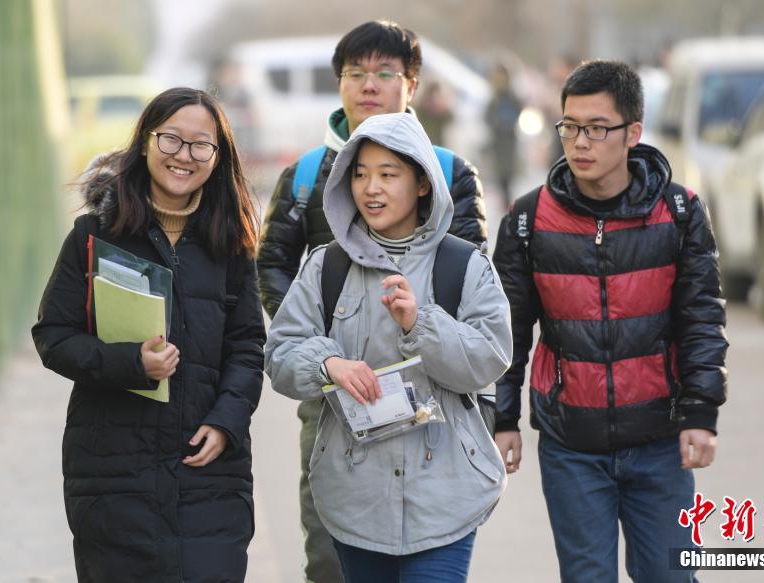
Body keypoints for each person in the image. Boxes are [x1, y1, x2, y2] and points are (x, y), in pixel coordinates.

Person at [255, 19, 487, 583]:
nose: (368, 85)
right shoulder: (305, 176)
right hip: (337, 391)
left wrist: (421, 331)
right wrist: (325, 349)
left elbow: (475, 286)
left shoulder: (450, 172)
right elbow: (272, 265)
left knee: (430, 542)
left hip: (430, 388)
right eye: (355, 73)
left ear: (412, 85)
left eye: (385, 73)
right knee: (331, 550)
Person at [492, 60, 728, 582]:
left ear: (632, 133)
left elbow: (702, 319)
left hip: (660, 441)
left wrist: (701, 411)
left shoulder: (679, 213)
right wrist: (502, 418)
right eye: (570, 127)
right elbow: (506, 331)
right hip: (571, 444)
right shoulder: (528, 222)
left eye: (597, 128)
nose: (580, 143)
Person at [32, 87, 265, 582]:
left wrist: (226, 422)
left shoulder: (231, 242)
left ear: (218, 157)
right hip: (113, 471)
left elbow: (247, 346)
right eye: (171, 139)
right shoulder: (95, 234)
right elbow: (54, 335)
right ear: (145, 142)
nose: (184, 155)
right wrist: (131, 364)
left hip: (208, 470)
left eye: (201, 144)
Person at [483, 61, 523, 204]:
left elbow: (519, 110)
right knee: (500, 175)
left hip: (509, 140)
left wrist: (509, 123)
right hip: (498, 140)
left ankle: (508, 202)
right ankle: (506, 202)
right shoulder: (495, 97)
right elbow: (487, 116)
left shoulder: (512, 96)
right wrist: (497, 123)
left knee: (508, 174)